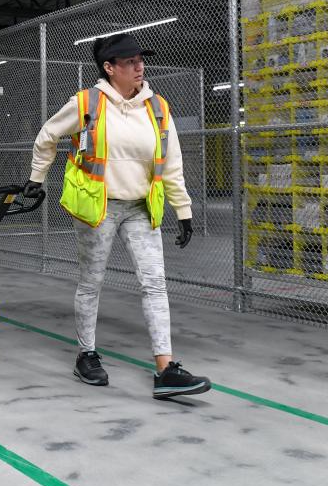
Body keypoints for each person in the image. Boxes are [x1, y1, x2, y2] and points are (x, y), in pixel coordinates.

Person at [23, 33, 210, 400]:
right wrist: (36, 178)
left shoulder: (157, 108)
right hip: (100, 207)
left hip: (140, 208)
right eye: (129, 62)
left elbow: (171, 163)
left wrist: (183, 209)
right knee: (91, 282)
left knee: (155, 282)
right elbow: (47, 135)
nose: (139, 66)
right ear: (110, 69)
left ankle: (166, 369)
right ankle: (86, 354)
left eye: (140, 60)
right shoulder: (87, 103)